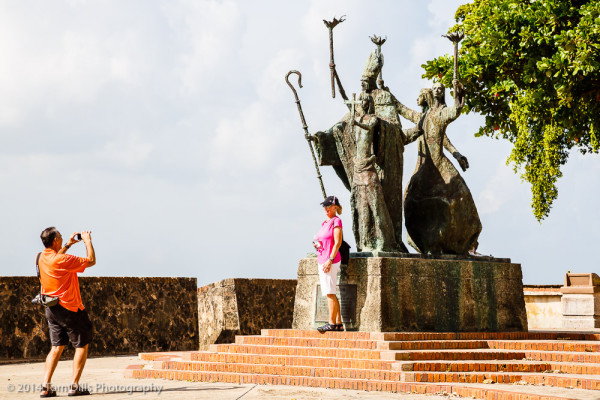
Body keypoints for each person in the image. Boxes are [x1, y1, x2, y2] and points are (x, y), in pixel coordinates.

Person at [403, 81, 481, 254]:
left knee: (460, 192)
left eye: (441, 88)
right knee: (410, 198)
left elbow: (454, 113)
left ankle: (463, 239)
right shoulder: (422, 117)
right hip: (423, 165)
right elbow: (403, 110)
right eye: (435, 88)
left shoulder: (442, 114)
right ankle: (423, 240)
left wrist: (458, 93)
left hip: (439, 161)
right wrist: (386, 94)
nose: (437, 90)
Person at [37, 227, 96, 398]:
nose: (63, 239)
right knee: (81, 345)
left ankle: (46, 386)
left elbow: (57, 258)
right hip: (70, 308)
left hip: (52, 308)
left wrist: (69, 244)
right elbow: (91, 260)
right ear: (55, 241)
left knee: (56, 347)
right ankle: (74, 386)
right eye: (61, 238)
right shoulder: (62, 260)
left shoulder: (41, 257)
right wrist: (87, 241)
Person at [313, 196, 343, 332]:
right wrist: (318, 246)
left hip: (330, 260)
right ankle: (338, 323)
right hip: (322, 258)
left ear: (335, 207)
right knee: (330, 291)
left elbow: (338, 242)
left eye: (328, 206)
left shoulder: (336, 221)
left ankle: (331, 323)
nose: (325, 208)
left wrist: (330, 260)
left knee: (329, 292)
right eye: (324, 206)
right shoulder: (324, 223)